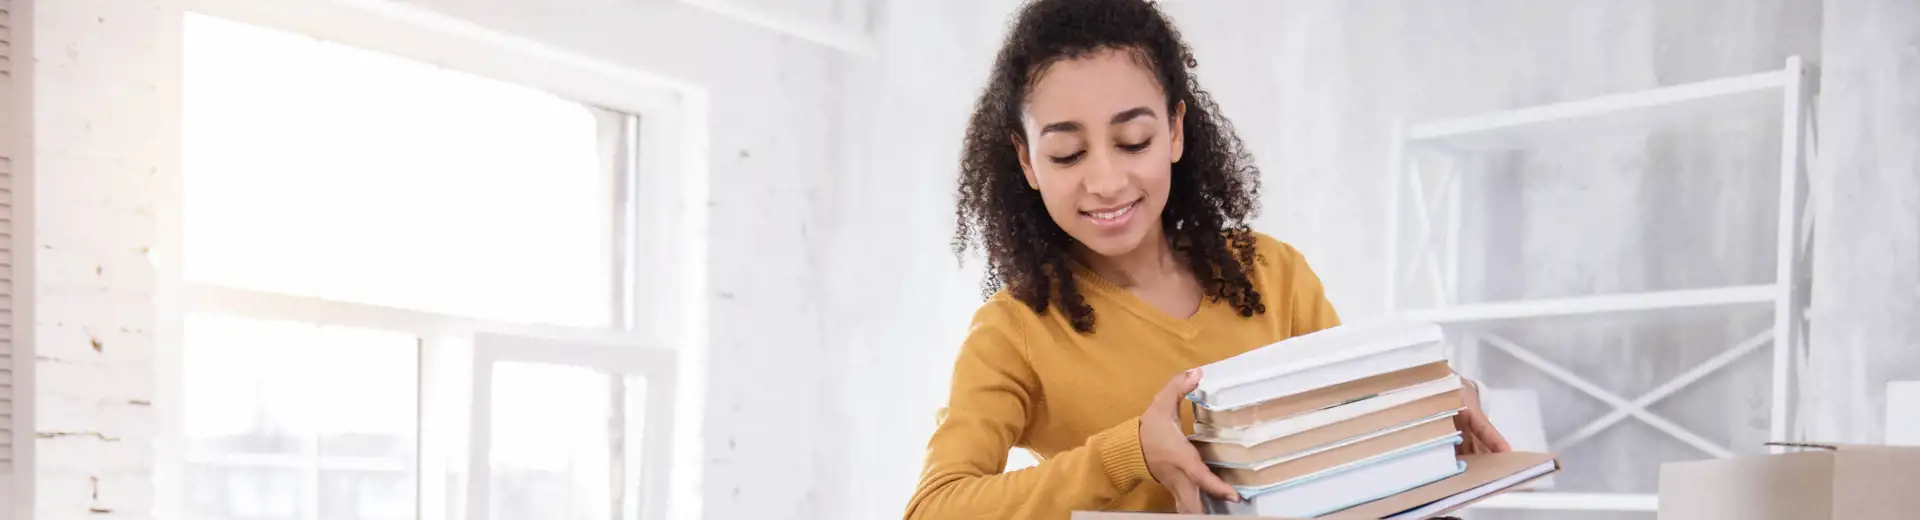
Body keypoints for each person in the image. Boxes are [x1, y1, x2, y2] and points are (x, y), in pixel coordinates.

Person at [903, 1, 1511, 518]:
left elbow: (1351, 433)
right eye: (1066, 154)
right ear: (1028, 162)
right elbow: (936, 505)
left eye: (1133, 141)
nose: (1107, 181)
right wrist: (1129, 452)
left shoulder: (1274, 276)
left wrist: (1426, 408)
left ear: (1174, 131)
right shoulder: (1015, 332)